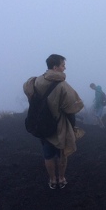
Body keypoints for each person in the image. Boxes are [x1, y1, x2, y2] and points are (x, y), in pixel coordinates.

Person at [23, 54, 84, 189]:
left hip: (42, 124)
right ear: (55, 67)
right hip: (59, 125)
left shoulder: (35, 81)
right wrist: (72, 127)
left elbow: (28, 92)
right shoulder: (63, 85)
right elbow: (72, 108)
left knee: (48, 154)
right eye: (63, 65)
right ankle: (61, 179)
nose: (65, 68)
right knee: (62, 153)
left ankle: (52, 180)